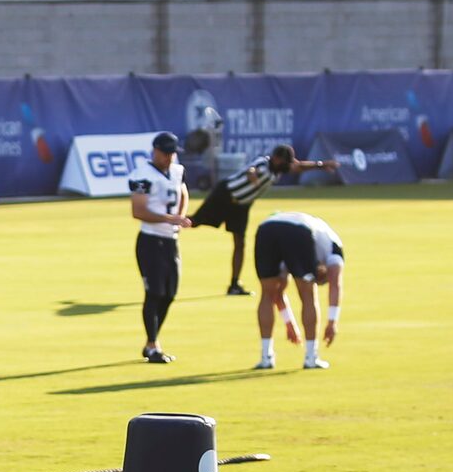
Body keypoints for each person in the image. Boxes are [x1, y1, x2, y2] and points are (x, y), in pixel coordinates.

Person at [188, 140, 337, 296]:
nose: (286, 164)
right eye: (283, 161)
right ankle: (170, 224)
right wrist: (253, 176)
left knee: (240, 243)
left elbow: (298, 166)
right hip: (225, 196)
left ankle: (234, 284)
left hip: (242, 206)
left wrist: (321, 165)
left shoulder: (279, 168)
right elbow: (252, 169)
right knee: (194, 222)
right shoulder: (263, 163)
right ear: (275, 158)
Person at [251, 209, 344, 372]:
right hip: (298, 230)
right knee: (308, 294)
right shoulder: (334, 249)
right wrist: (332, 322)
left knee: (267, 293)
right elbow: (335, 284)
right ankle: (311, 357)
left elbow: (277, 294)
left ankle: (266, 358)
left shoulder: (314, 248)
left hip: (266, 229)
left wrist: (289, 323)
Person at [128, 131, 187, 364]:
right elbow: (138, 211)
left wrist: (180, 217)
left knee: (170, 293)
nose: (170, 158)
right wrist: (168, 219)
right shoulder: (142, 175)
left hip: (171, 240)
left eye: (173, 153)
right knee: (154, 293)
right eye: (166, 153)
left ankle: (152, 341)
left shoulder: (176, 170)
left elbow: (182, 191)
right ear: (156, 151)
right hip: (151, 240)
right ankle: (152, 345)